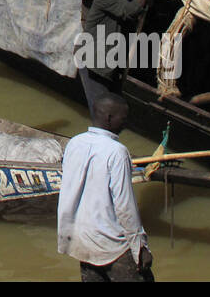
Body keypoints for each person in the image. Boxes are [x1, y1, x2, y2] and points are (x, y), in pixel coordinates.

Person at [57, 92, 153, 282]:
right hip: (110, 244)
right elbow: (125, 207)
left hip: (80, 239)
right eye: (123, 118)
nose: (125, 123)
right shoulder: (117, 152)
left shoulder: (74, 143)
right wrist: (140, 247)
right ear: (109, 118)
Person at [79, 0, 158, 114]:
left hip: (110, 61)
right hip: (94, 61)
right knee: (102, 111)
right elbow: (130, 10)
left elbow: (141, 4)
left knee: (113, 108)